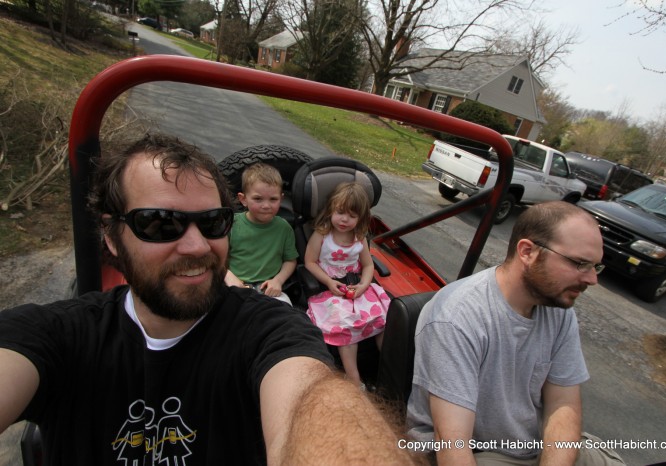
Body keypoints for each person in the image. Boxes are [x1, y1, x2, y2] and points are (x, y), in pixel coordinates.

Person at [0, 134, 414, 465]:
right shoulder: (56, 335)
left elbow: (309, 399)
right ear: (110, 235)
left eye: (213, 222)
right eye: (161, 223)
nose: (197, 246)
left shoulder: (269, 330)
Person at [406, 201, 625, 466]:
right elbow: (453, 445)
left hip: (535, 445)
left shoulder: (558, 308)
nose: (592, 279)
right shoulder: (456, 317)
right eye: (580, 264)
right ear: (528, 251)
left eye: (595, 267)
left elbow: (562, 404)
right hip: (478, 452)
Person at [305, 182, 390, 388]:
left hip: (358, 287)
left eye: (352, 216)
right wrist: (328, 281)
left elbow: (368, 265)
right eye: (340, 212)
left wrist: (363, 284)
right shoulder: (322, 235)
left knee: (383, 317)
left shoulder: (359, 238)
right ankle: (354, 379)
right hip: (331, 289)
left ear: (360, 218)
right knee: (345, 325)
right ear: (331, 210)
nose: (344, 219)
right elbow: (309, 262)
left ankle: (389, 370)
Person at [224, 163, 297, 305]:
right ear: (243, 199)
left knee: (287, 312)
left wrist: (278, 280)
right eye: (258, 199)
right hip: (234, 284)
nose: (266, 205)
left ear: (281, 199)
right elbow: (216, 258)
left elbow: (290, 260)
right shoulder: (232, 225)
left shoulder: (284, 228)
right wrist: (228, 276)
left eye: (273, 199)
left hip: (268, 289)